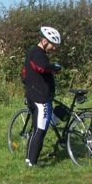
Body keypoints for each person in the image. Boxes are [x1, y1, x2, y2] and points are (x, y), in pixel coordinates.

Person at [22, 26, 63, 167]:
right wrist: (54, 67)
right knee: (40, 130)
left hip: (34, 96)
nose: (54, 48)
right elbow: (42, 67)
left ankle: (29, 160)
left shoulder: (32, 52)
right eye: (53, 45)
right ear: (45, 41)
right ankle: (32, 163)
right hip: (40, 99)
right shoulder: (38, 54)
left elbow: (24, 74)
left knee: (37, 129)